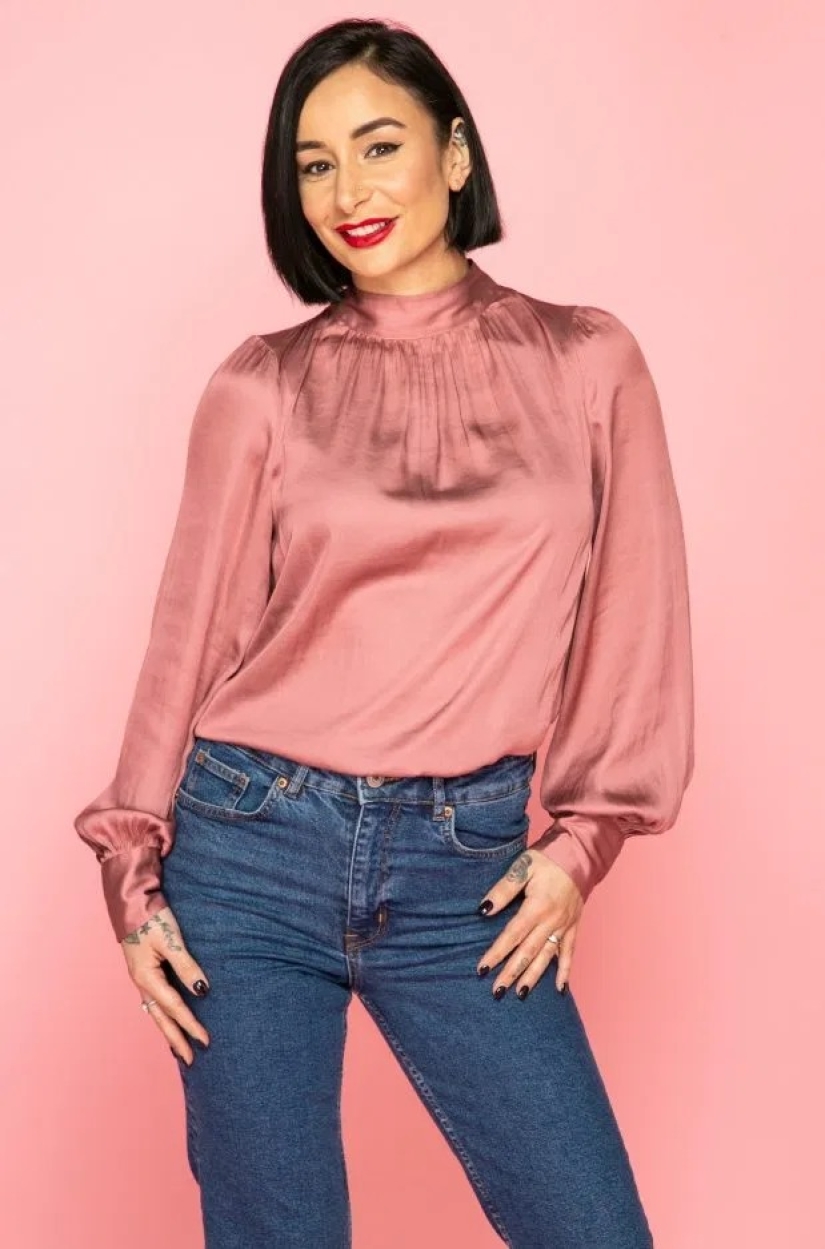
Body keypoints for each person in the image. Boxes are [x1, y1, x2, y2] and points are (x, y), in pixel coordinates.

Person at [73, 17, 694, 1249]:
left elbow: (637, 610)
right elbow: (188, 634)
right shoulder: (262, 382)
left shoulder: (586, 359)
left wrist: (581, 845)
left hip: (467, 865)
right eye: (314, 164)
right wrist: (130, 869)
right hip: (249, 852)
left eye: (378, 146)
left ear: (454, 154)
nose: (348, 192)